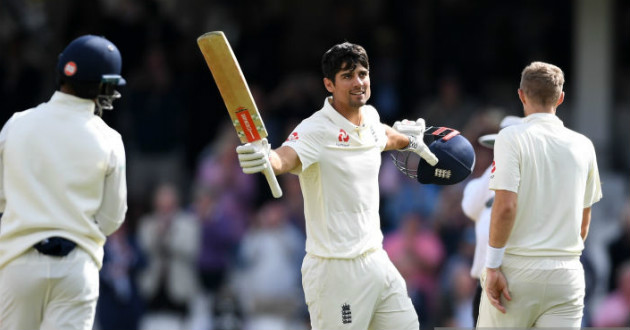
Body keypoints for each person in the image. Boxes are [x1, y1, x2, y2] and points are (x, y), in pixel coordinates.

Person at [236, 42, 438, 330]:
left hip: (376, 262)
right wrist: (266, 158)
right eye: (347, 76)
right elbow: (286, 157)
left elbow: (381, 136)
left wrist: (408, 141)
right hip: (334, 272)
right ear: (329, 84)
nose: (358, 82)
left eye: (363, 74)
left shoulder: (370, 117)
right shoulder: (314, 130)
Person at [0, 34, 127, 330]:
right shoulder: (109, 140)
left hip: (18, 263)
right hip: (76, 267)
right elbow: (111, 219)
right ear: (104, 86)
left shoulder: (17, 124)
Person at [478, 61, 603, 327]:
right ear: (561, 98)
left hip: (516, 272)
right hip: (566, 273)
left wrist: (492, 266)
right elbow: (584, 223)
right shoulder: (584, 145)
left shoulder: (510, 137)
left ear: (521, 95)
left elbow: (505, 207)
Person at [460, 114, 522, 325]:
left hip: (515, 283)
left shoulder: (529, 178)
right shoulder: (491, 176)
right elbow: (469, 206)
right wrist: (497, 168)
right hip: (485, 280)